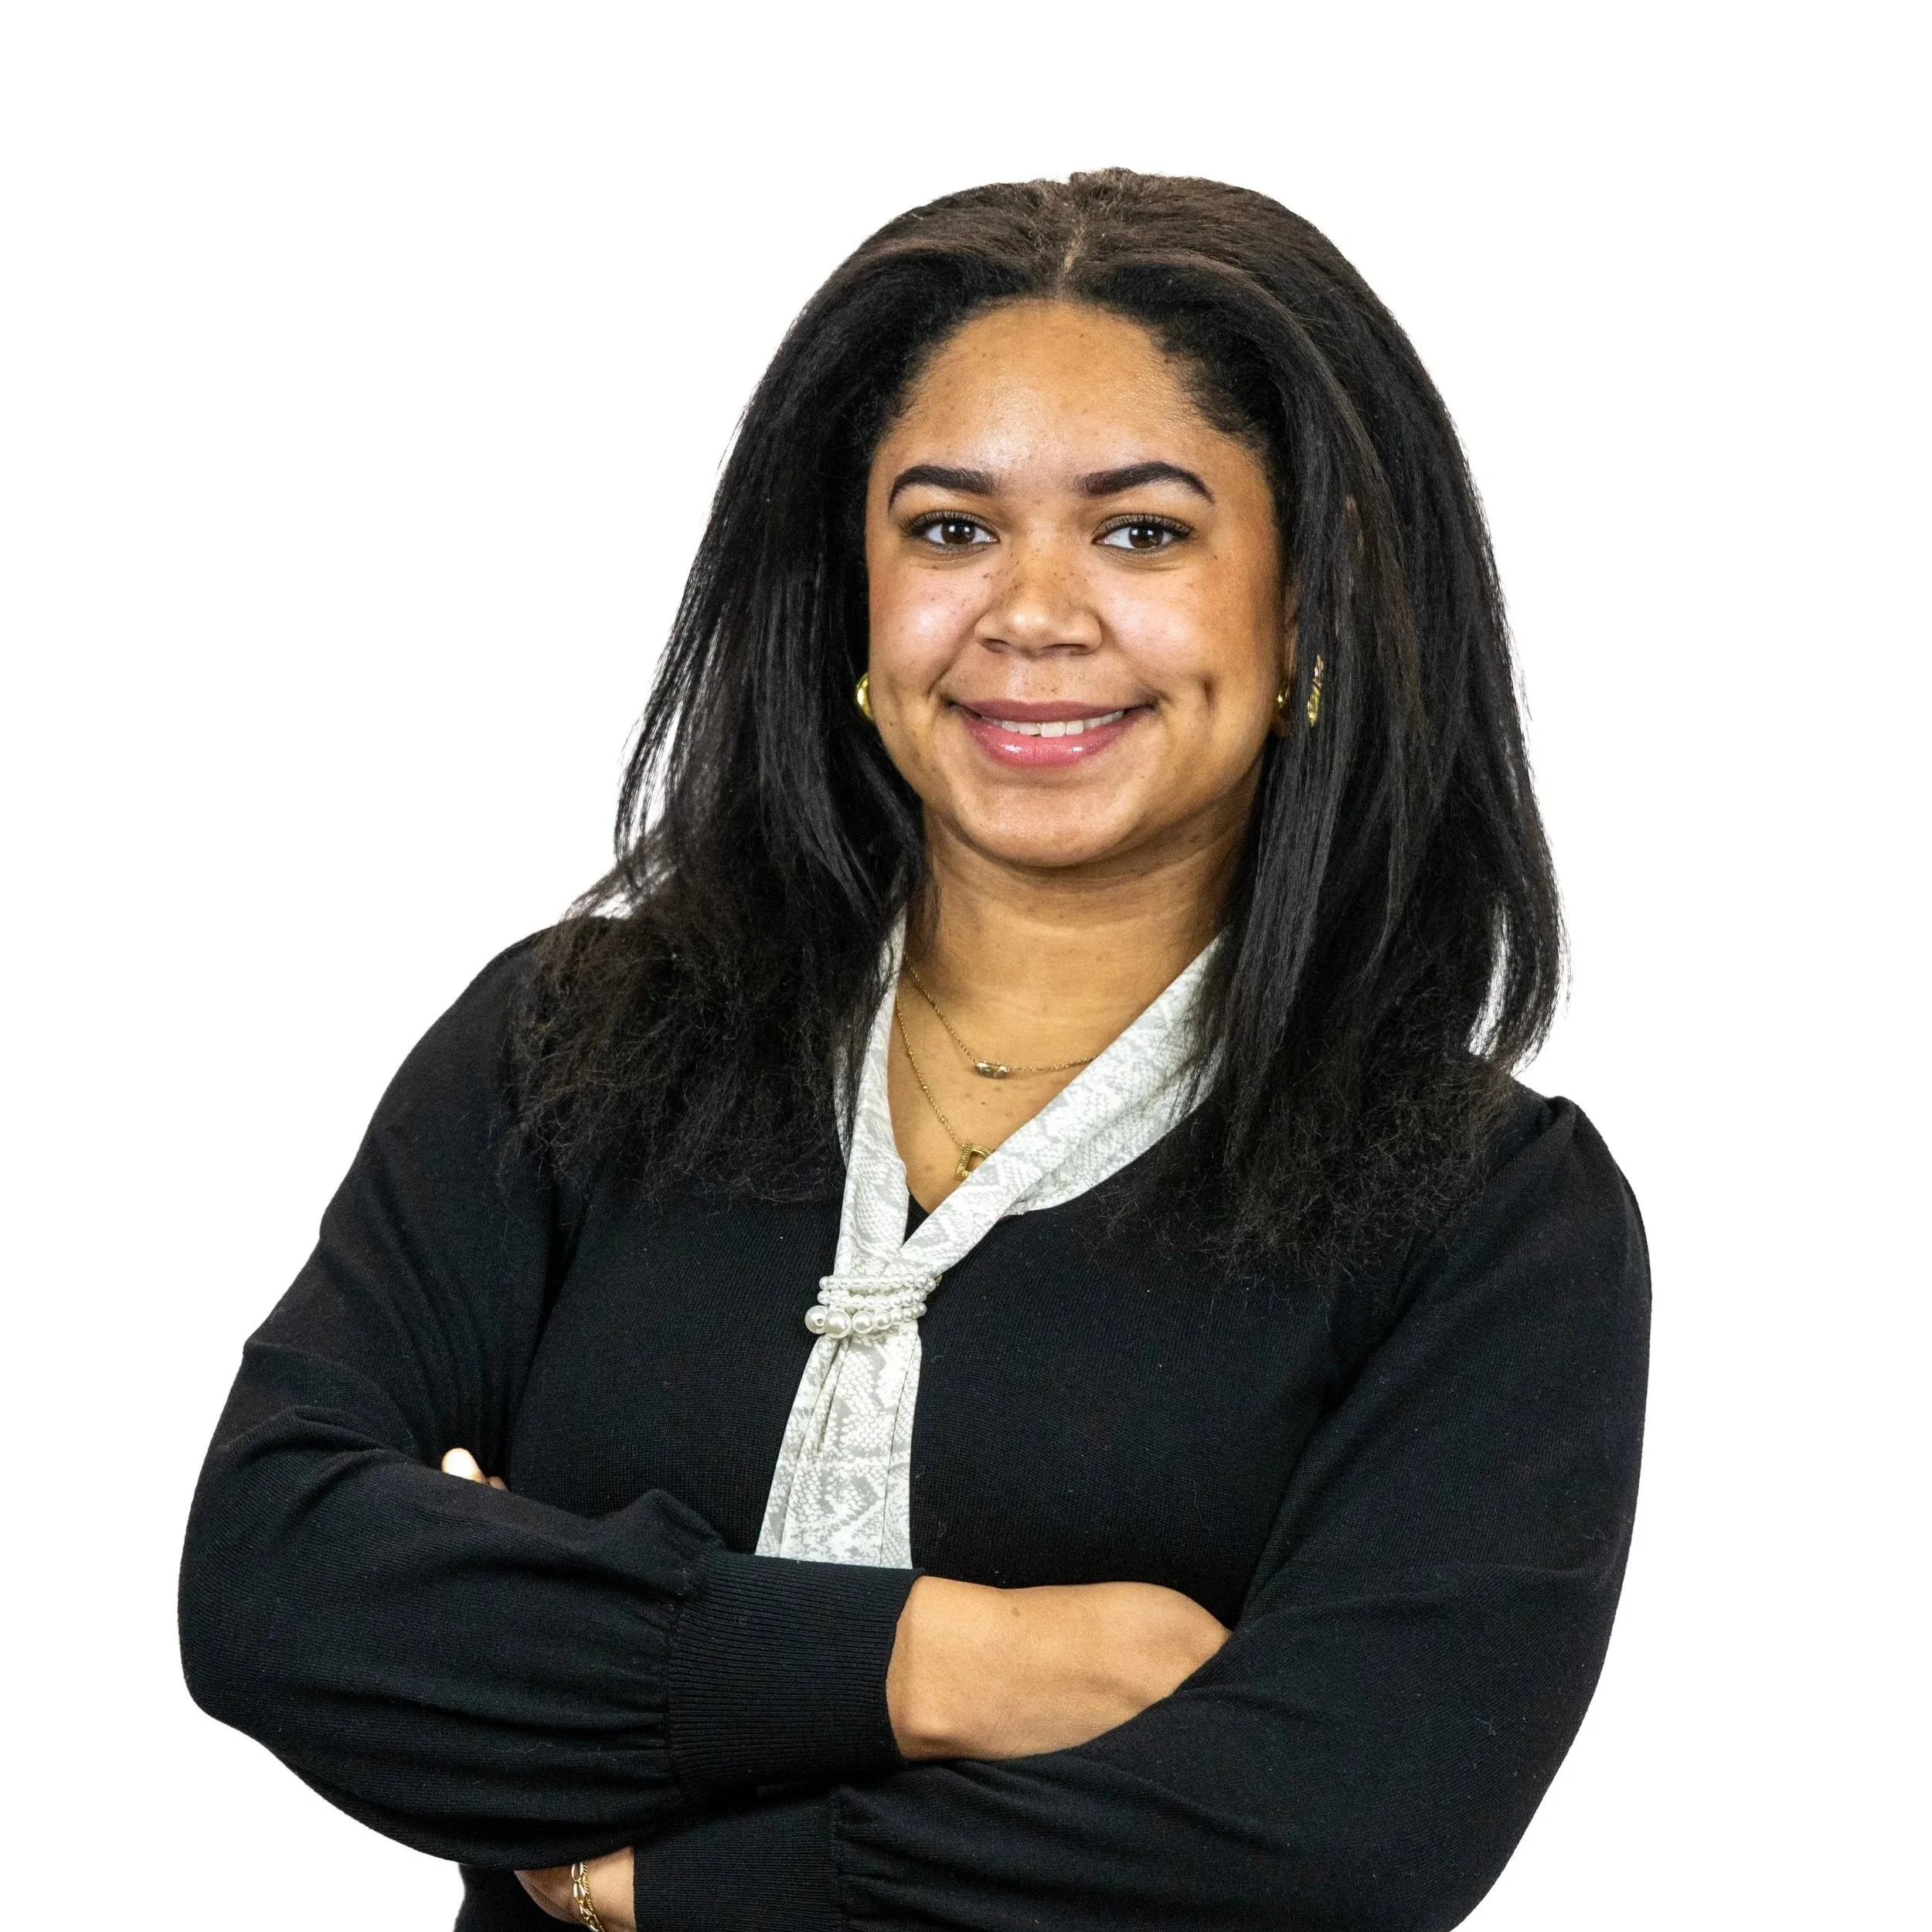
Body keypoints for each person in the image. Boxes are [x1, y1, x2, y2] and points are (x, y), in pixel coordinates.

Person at [179, 170, 1648, 1932]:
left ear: (1313, 609)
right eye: (949, 530)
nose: (1030, 612)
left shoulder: (1487, 1220)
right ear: (848, 602)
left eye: (1141, 534)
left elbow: (1331, 1836)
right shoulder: (568, 1052)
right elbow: (275, 1581)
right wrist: (952, 1664)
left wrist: (646, 1858)